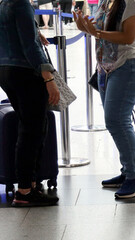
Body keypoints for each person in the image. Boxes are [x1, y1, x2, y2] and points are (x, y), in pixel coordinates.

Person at [73, 0, 135, 198]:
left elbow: (128, 37)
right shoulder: (107, 1)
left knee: (117, 121)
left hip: (128, 66)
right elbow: (99, 28)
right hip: (107, 68)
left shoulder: (130, 2)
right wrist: (86, 27)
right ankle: (127, 171)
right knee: (115, 121)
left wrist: (96, 33)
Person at [0, 0, 61, 207]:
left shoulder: (4, 4)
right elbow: (29, 46)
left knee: (30, 126)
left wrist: (34, 31)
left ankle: (31, 184)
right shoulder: (20, 4)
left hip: (6, 70)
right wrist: (49, 78)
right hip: (26, 72)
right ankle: (25, 190)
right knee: (32, 130)